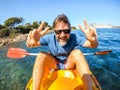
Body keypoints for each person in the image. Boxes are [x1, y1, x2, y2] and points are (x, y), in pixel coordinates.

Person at [26, 14, 98, 90]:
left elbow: (92, 45)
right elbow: (33, 44)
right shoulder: (49, 38)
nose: (62, 35)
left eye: (66, 31)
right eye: (58, 32)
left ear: (70, 30)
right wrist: (30, 43)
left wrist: (93, 41)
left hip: (68, 63)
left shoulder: (74, 37)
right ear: (54, 31)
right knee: (41, 55)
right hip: (54, 64)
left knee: (78, 52)